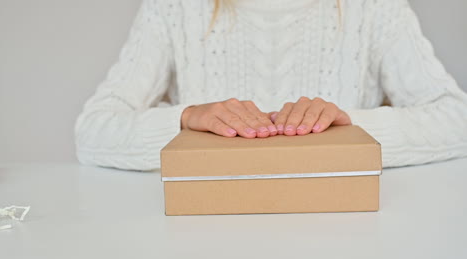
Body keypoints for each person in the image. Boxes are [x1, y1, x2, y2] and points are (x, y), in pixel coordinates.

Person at [75, 0, 467, 171]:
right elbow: (92, 132)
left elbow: (457, 119)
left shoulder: (375, 6)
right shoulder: (173, 7)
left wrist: (355, 130)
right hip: (199, 238)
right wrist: (186, 118)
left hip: (345, 235)